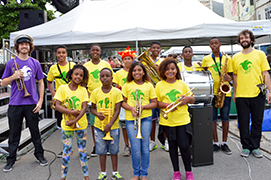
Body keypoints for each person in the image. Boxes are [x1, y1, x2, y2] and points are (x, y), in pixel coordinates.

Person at [1, 34, 48, 172]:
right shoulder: (11, 63)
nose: (24, 46)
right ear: (17, 47)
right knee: (14, 133)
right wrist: (13, 76)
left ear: (30, 47)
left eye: (27, 44)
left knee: (35, 131)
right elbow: (3, 82)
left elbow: (41, 82)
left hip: (31, 103)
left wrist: (40, 101)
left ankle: (40, 155)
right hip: (15, 104)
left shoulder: (35, 63)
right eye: (21, 44)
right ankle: (11, 159)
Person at [232, 29, 271, 158]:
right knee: (243, 122)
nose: (244, 40)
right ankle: (245, 147)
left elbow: (265, 74)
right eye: (242, 38)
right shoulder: (236, 57)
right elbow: (235, 77)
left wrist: (270, 91)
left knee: (257, 121)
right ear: (239, 42)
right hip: (241, 95)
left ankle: (255, 146)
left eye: (246, 38)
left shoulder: (260, 54)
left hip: (258, 94)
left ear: (251, 40)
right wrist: (234, 93)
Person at [156, 58, 195, 180]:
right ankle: (176, 172)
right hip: (167, 121)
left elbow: (192, 99)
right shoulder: (159, 85)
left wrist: (188, 99)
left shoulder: (182, 84)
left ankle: (189, 172)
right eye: (167, 69)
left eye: (172, 68)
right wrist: (167, 106)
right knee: (172, 147)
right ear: (163, 71)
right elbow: (156, 103)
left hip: (182, 120)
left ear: (176, 70)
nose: (170, 71)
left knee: (184, 146)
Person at [122, 61, 157, 180]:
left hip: (146, 118)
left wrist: (143, 107)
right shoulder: (127, 85)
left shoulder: (149, 85)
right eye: (134, 70)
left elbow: (154, 103)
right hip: (131, 119)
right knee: (135, 148)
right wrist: (131, 108)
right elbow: (122, 102)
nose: (137, 72)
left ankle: (144, 173)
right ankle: (136, 173)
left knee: (145, 147)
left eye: (139, 70)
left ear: (143, 72)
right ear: (131, 73)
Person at [54, 64, 90, 180]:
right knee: (66, 152)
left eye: (81, 75)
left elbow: (84, 108)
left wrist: (74, 119)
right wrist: (70, 111)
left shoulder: (83, 90)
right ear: (71, 74)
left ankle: (86, 176)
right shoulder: (62, 88)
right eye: (76, 74)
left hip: (81, 125)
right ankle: (63, 177)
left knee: (83, 151)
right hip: (67, 125)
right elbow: (57, 105)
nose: (78, 77)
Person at [90, 68, 124, 180]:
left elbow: (117, 110)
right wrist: (97, 114)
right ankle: (103, 173)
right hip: (99, 126)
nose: (105, 78)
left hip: (113, 126)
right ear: (99, 78)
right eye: (102, 76)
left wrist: (109, 124)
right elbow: (92, 109)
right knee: (101, 151)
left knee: (114, 151)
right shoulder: (95, 92)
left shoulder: (117, 92)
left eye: (107, 76)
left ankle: (115, 172)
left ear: (112, 78)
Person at [202, 37, 233, 155]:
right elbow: (203, 74)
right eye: (212, 43)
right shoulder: (206, 59)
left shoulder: (227, 58)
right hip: (211, 92)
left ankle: (224, 142)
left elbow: (230, 74)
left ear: (220, 44)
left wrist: (229, 78)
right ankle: (215, 143)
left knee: (225, 118)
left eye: (216, 43)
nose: (214, 45)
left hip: (225, 92)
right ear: (209, 46)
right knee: (213, 119)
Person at [84, 44, 113, 157]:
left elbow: (112, 79)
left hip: (106, 96)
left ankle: (108, 145)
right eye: (93, 50)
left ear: (100, 52)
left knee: (107, 120)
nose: (95, 52)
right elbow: (83, 83)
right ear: (90, 52)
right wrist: (88, 95)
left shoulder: (105, 64)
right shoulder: (86, 65)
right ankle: (97, 146)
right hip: (93, 97)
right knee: (94, 123)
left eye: (97, 50)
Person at [47, 45, 75, 157]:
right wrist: (53, 93)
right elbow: (49, 82)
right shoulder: (53, 68)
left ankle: (80, 149)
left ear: (66, 54)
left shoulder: (72, 66)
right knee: (63, 126)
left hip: (73, 99)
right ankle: (66, 148)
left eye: (63, 52)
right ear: (56, 54)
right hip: (60, 101)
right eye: (59, 53)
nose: (61, 55)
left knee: (76, 124)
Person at [113, 46, 137, 156]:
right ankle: (127, 145)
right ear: (122, 61)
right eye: (125, 59)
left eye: (129, 58)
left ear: (133, 60)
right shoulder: (118, 73)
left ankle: (135, 145)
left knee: (135, 124)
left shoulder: (135, 72)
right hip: (123, 101)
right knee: (124, 125)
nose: (127, 60)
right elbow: (116, 87)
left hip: (133, 101)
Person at [148, 41, 168, 152]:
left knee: (164, 117)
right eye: (154, 48)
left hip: (161, 92)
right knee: (152, 119)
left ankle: (164, 141)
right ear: (150, 49)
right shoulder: (145, 61)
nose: (156, 49)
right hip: (150, 94)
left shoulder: (163, 61)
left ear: (160, 50)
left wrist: (159, 70)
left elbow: (167, 76)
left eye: (158, 48)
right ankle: (152, 141)